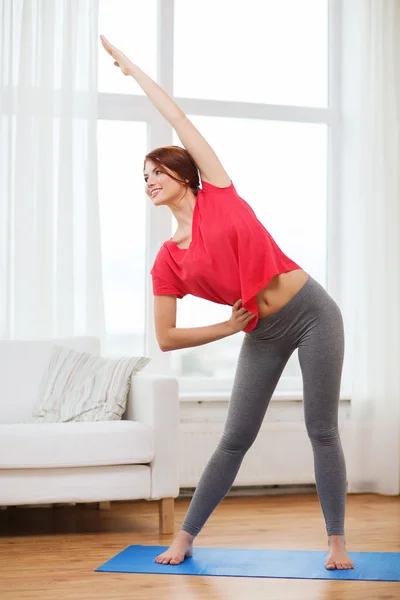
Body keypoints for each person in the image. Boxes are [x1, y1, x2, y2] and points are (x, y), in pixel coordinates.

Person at [100, 35, 355, 571]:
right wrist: (226, 326)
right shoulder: (168, 259)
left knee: (321, 427)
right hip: (259, 330)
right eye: (141, 177)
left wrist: (132, 70)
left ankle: (336, 540)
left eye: (156, 171)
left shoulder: (217, 188)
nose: (148, 182)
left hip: (311, 312)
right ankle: (187, 536)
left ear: (182, 174)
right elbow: (166, 339)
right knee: (235, 435)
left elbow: (174, 112)